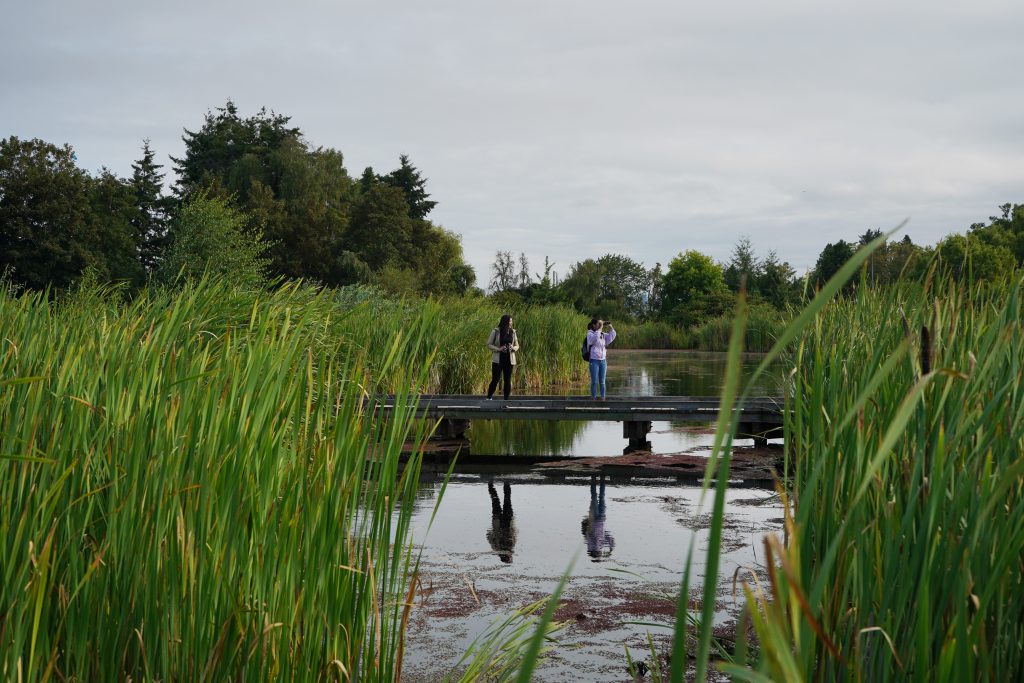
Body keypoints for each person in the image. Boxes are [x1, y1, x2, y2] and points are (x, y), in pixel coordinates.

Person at [581, 475, 615, 561]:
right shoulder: (600, 545)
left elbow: (591, 537)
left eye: (598, 554)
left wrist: (601, 553)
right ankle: (602, 479)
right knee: (602, 496)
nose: (600, 553)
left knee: (594, 497)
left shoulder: (591, 545)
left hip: (594, 518)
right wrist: (611, 549)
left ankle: (593, 478)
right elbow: (609, 538)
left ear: (595, 553)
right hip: (601, 518)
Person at [486, 314, 519, 399]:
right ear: (505, 322)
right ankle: (489, 397)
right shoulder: (496, 331)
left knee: (507, 380)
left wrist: (513, 348)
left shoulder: (513, 332)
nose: (511, 323)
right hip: (498, 359)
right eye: (510, 321)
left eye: (511, 321)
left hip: (509, 359)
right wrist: (498, 349)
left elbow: (517, 345)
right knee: (496, 379)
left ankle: (506, 400)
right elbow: (488, 344)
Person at [586, 318, 616, 400]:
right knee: (594, 382)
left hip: (603, 361)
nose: (600, 326)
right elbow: (594, 339)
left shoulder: (602, 334)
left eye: (601, 324)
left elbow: (610, 338)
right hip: (594, 360)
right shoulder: (590, 334)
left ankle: (603, 397)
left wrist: (611, 328)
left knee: (602, 382)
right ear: (594, 325)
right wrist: (599, 329)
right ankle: (593, 398)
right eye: (598, 324)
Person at [487, 481, 517, 563]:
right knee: (496, 500)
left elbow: (514, 534)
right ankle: (492, 483)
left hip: (504, 521)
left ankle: (505, 482)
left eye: (510, 558)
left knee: (505, 499)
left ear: (507, 557)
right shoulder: (496, 548)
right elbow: (488, 536)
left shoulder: (499, 547)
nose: (511, 556)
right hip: (501, 522)